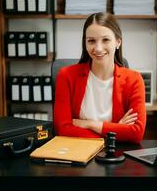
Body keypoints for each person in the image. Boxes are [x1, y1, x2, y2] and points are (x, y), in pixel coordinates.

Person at [54, 12, 146, 143]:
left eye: (105, 40)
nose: (98, 48)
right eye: (91, 41)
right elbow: (63, 129)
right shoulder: (66, 76)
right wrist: (116, 131)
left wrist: (90, 124)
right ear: (85, 43)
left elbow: (136, 133)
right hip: (78, 154)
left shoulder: (134, 80)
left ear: (118, 42)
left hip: (116, 157)